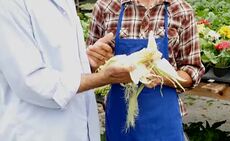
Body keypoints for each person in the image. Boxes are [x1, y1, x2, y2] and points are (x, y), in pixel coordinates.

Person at [0, 0, 133, 141]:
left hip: (75, 130)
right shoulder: (10, 4)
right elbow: (32, 81)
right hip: (37, 131)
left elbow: (58, 60)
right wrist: (103, 78)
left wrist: (87, 63)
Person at [87, 0, 205, 140]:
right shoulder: (106, 6)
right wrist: (93, 61)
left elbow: (192, 69)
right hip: (120, 120)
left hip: (164, 123)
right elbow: (88, 68)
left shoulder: (180, 9)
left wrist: (160, 76)